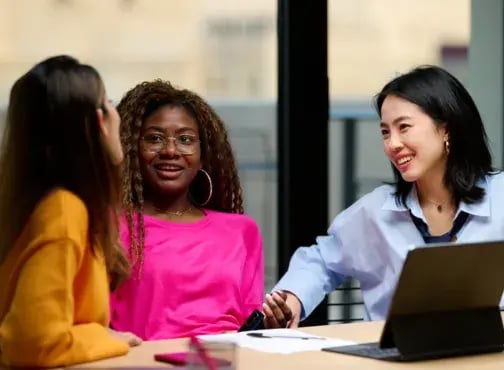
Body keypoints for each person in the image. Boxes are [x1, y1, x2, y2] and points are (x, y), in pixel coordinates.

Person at [262, 65, 504, 329]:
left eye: (404, 127)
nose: (392, 144)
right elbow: (321, 259)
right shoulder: (376, 211)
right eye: (386, 132)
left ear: (446, 129)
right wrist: (293, 298)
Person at [0, 55, 141, 367]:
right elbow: (32, 344)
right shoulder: (64, 211)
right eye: (109, 102)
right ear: (99, 122)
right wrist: (103, 337)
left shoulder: (38, 203)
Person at [110, 80, 264, 340]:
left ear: (203, 154)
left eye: (185, 139)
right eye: (155, 138)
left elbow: (252, 325)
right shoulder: (112, 226)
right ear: (133, 148)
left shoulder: (241, 231)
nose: (170, 150)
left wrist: (274, 320)